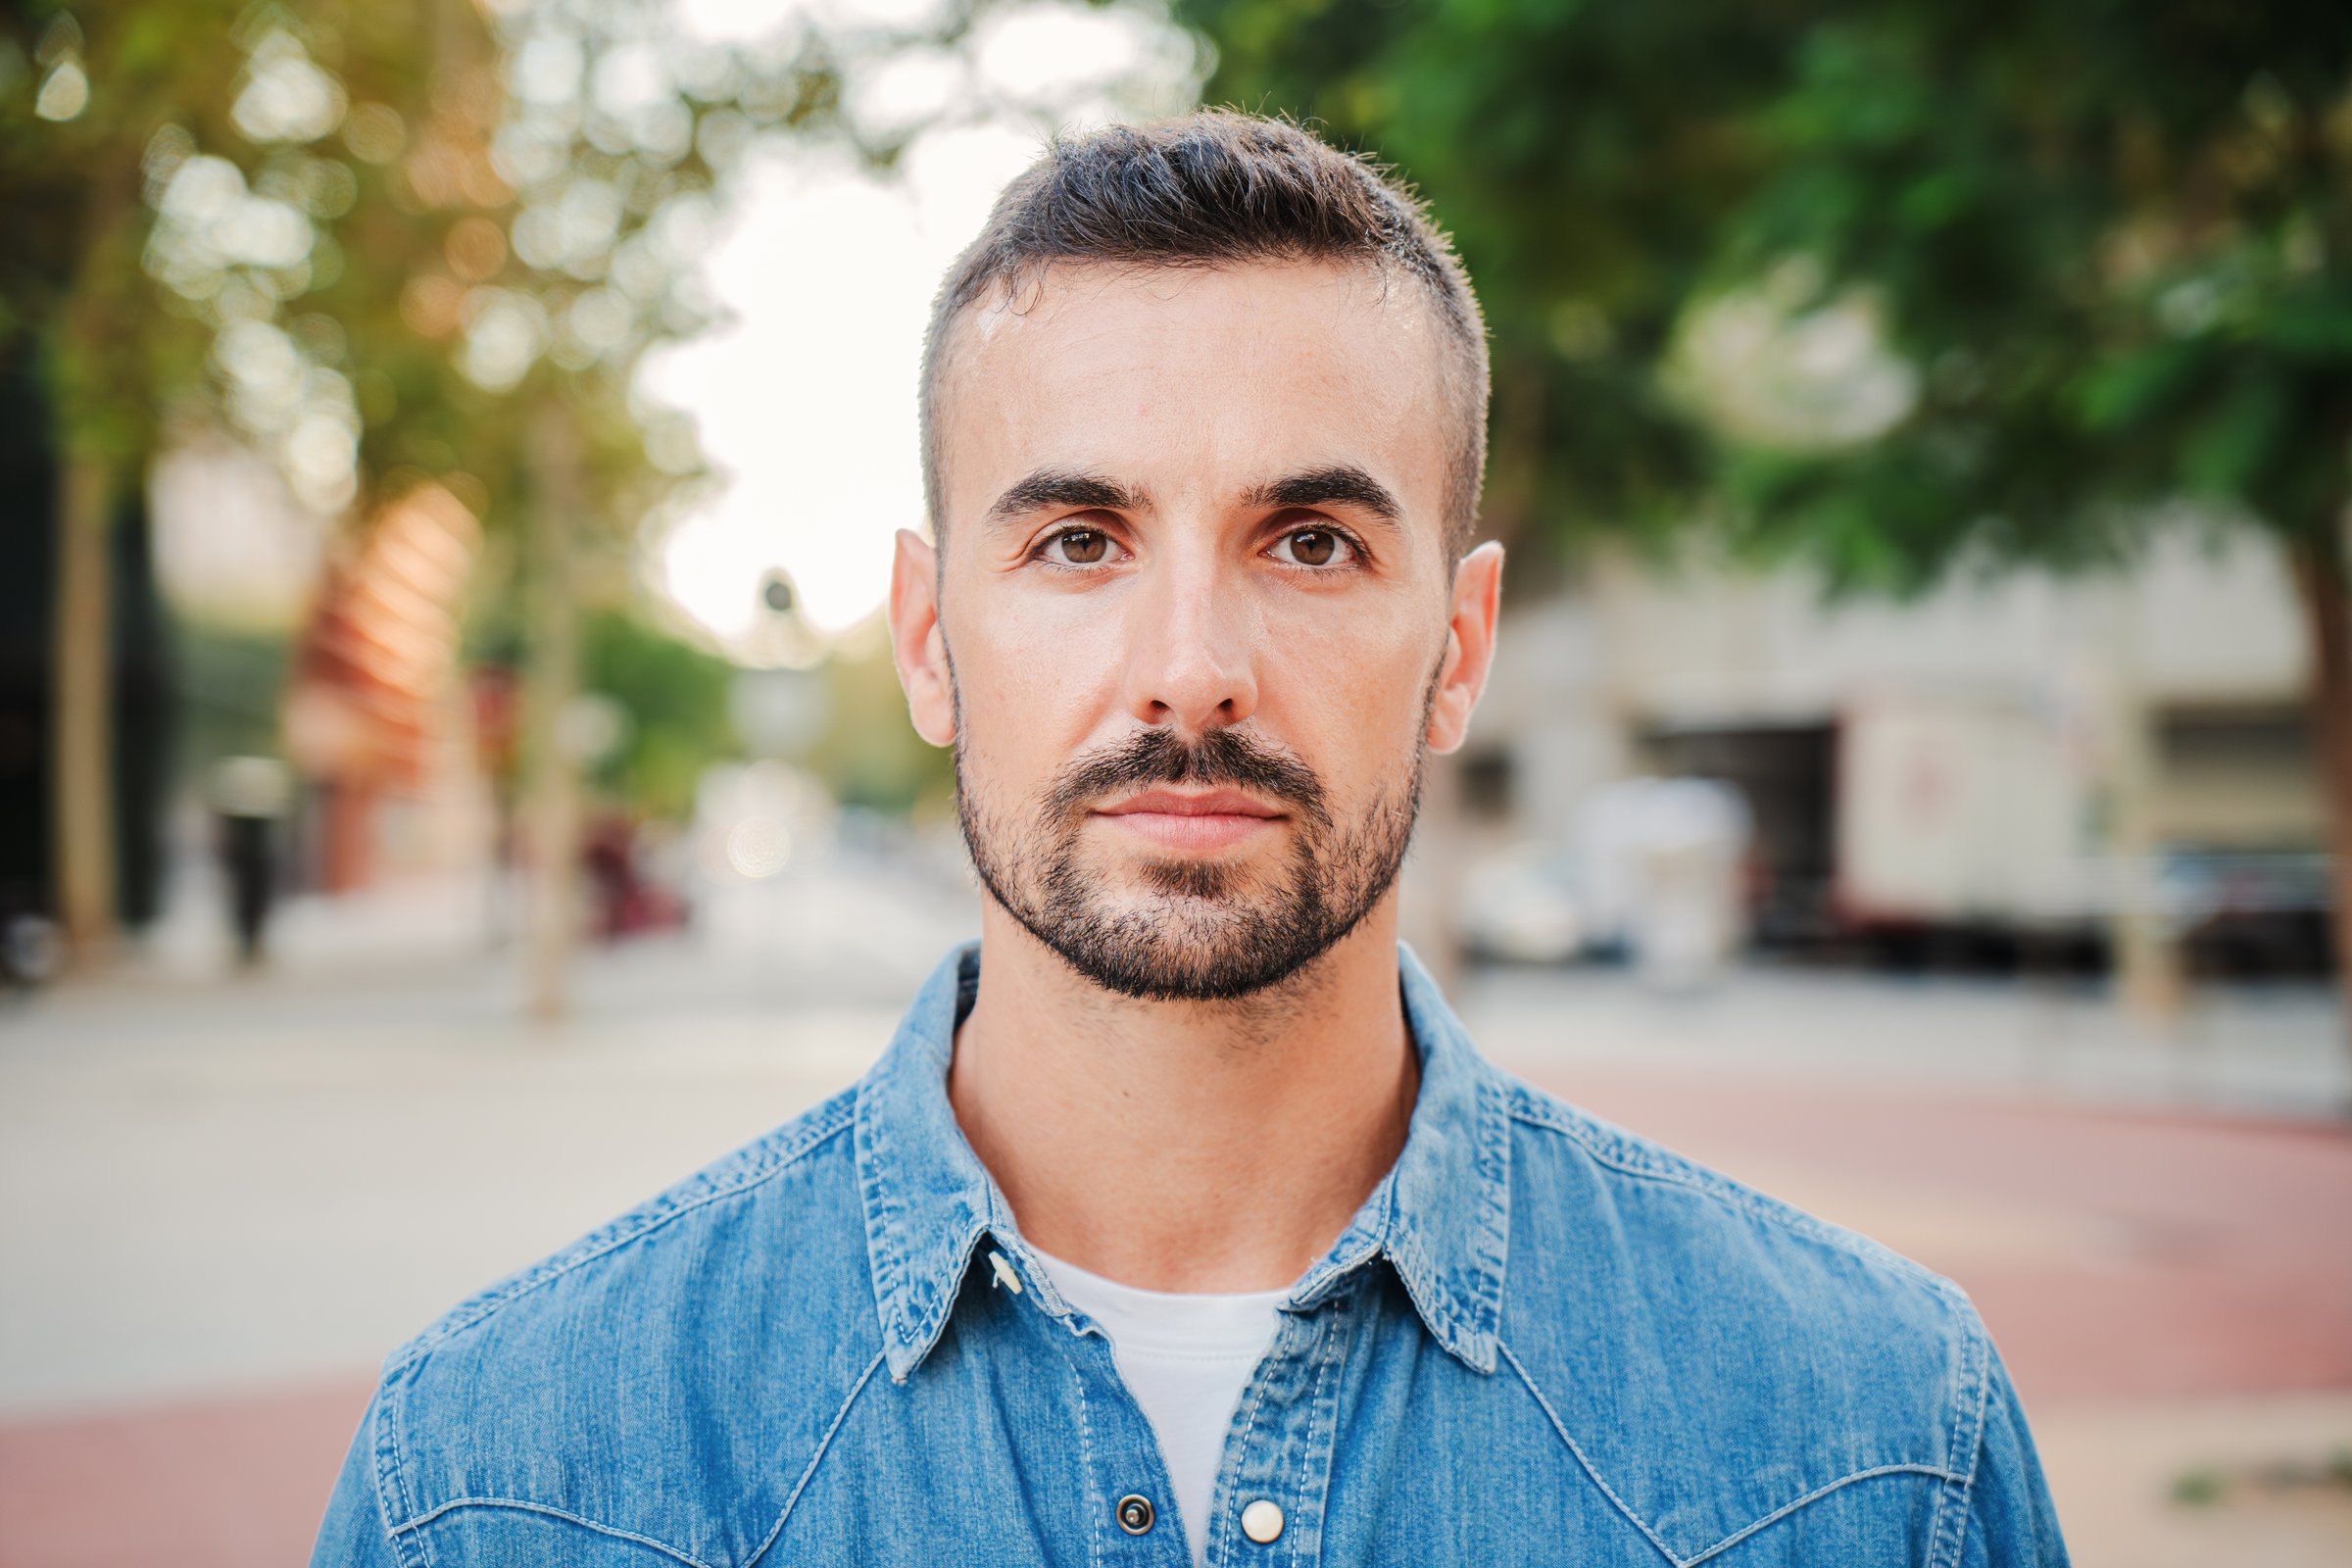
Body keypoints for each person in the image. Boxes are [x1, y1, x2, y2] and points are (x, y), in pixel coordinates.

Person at [314, 113, 2067, 1567]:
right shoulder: (496, 1483)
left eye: (1311, 544)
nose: (1190, 671)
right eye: (1079, 542)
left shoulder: (1878, 1448)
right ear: (929, 641)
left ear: (1458, 649)